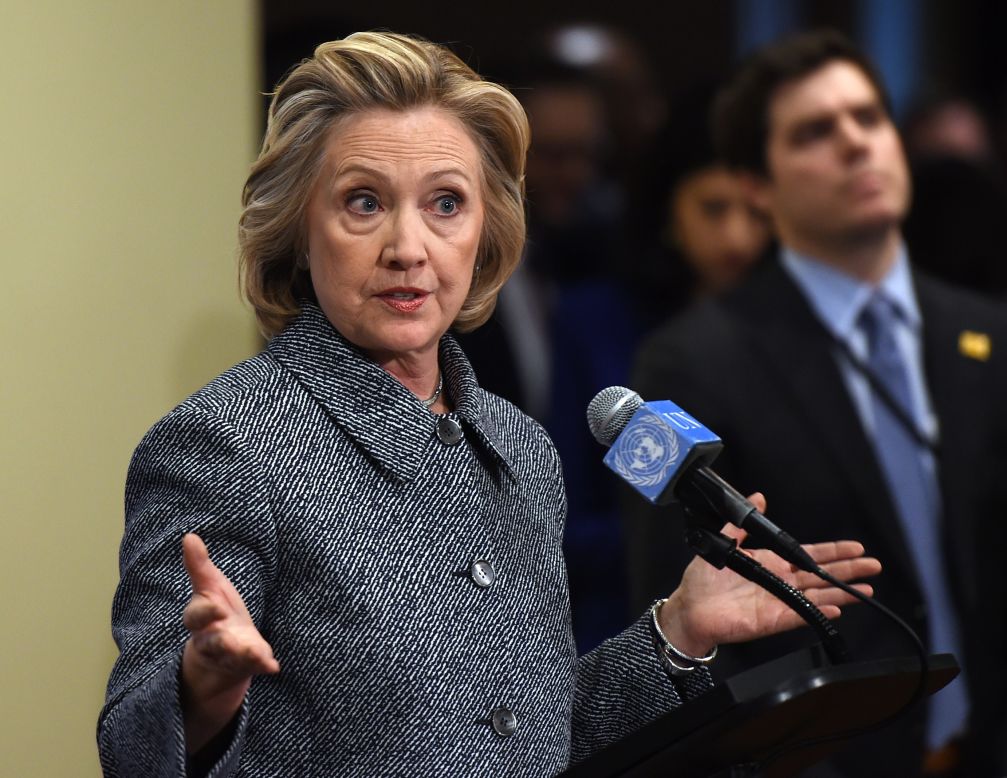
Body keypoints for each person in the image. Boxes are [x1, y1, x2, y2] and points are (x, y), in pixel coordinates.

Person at [97, 32, 879, 776]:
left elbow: (531, 737)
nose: (408, 247)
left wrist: (677, 631)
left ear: (485, 234)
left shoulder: (519, 445)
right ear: (301, 229)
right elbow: (130, 751)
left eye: (445, 204)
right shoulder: (224, 443)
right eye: (363, 203)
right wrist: (202, 687)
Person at [626, 29, 1007, 777]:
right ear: (755, 187)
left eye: (868, 118)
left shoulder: (989, 334)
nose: (855, 144)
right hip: (823, 758)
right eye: (814, 132)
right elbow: (676, 619)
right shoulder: (684, 363)